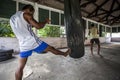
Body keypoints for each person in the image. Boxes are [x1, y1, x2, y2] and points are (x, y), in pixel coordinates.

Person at [10, 4, 71, 80]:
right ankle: (64, 54)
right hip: (32, 42)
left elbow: (26, 26)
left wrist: (31, 23)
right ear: (29, 10)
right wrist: (46, 21)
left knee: (20, 67)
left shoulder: (12, 18)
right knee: (51, 48)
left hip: (23, 44)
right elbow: (38, 26)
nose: (31, 15)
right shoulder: (27, 15)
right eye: (32, 13)